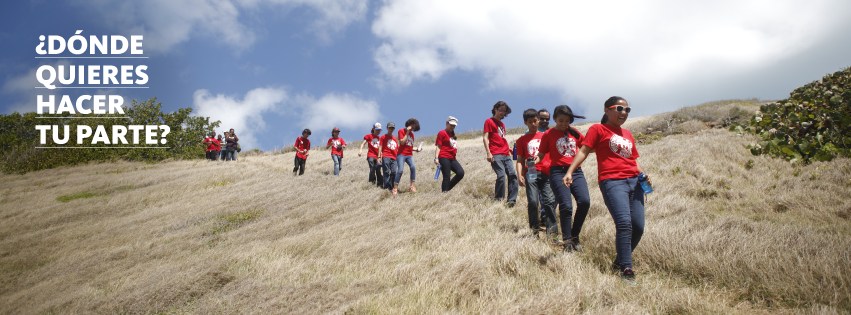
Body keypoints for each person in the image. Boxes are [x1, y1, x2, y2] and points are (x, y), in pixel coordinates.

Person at [565, 96, 650, 282]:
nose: (624, 113)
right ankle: (627, 269)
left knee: (638, 227)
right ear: (607, 110)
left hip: (634, 182)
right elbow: (583, 150)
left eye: (627, 110)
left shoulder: (627, 134)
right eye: (619, 108)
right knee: (624, 224)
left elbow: (633, 160)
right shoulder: (598, 129)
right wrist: (570, 171)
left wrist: (644, 176)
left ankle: (618, 263)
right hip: (612, 181)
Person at [536, 105, 590, 252]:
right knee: (566, 205)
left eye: (567, 121)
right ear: (554, 119)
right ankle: (567, 242)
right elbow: (541, 154)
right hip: (557, 173)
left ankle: (575, 236)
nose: (564, 123)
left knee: (584, 202)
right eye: (561, 120)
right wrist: (533, 161)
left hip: (576, 172)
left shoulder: (575, 133)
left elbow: (587, 148)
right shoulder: (548, 134)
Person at [515, 109, 557, 238]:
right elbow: (519, 160)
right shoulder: (521, 140)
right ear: (525, 123)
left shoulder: (547, 136)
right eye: (530, 122)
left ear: (538, 120)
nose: (533, 124)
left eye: (535, 121)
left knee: (549, 201)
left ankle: (552, 232)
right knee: (533, 201)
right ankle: (534, 231)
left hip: (546, 171)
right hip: (531, 172)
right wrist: (519, 175)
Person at [483, 101, 518, 207]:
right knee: (501, 175)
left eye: (504, 111)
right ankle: (498, 199)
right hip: (495, 153)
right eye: (500, 110)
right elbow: (485, 138)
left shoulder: (502, 124)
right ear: (495, 109)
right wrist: (488, 153)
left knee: (512, 175)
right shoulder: (489, 121)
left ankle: (511, 200)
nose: (502, 113)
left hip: (506, 153)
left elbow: (502, 139)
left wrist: (510, 150)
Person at [435, 116, 464, 192]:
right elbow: (438, 146)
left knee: (460, 173)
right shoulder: (442, 133)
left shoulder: (452, 134)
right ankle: (444, 193)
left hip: (452, 158)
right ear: (446, 123)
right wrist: (436, 158)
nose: (452, 127)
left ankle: (446, 190)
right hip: (443, 156)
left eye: (454, 126)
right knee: (446, 176)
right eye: (451, 125)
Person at [395, 118, 423, 193]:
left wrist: (416, 149)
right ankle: (395, 189)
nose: (412, 129)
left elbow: (409, 146)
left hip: (409, 155)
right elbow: (402, 142)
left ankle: (412, 186)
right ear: (409, 125)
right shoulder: (401, 131)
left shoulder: (412, 134)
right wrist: (407, 132)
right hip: (401, 154)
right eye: (412, 127)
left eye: (414, 128)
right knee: (400, 170)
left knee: (413, 168)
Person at [378, 122, 398, 194]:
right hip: (386, 156)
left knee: (394, 172)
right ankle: (386, 187)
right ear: (387, 128)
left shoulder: (395, 138)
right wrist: (379, 156)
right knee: (386, 172)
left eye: (392, 128)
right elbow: (380, 146)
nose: (391, 129)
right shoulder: (383, 137)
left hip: (394, 157)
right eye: (389, 128)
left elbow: (396, 148)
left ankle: (391, 186)